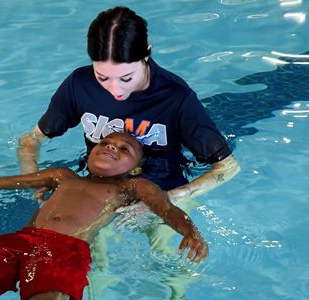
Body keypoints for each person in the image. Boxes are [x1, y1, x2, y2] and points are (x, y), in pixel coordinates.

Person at [0, 132, 208, 300]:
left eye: (124, 149)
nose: (111, 147)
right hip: (19, 242)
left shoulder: (132, 188)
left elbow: (167, 210)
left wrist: (190, 232)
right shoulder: (62, 175)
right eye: (105, 142)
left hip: (65, 252)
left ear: (137, 168)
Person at [17, 5, 240, 210]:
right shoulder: (79, 85)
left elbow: (226, 168)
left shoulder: (175, 98)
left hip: (164, 188)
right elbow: (31, 140)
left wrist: (165, 200)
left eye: (126, 78)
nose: (115, 90)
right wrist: (33, 178)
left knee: (166, 250)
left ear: (146, 54)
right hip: (97, 186)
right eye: (102, 77)